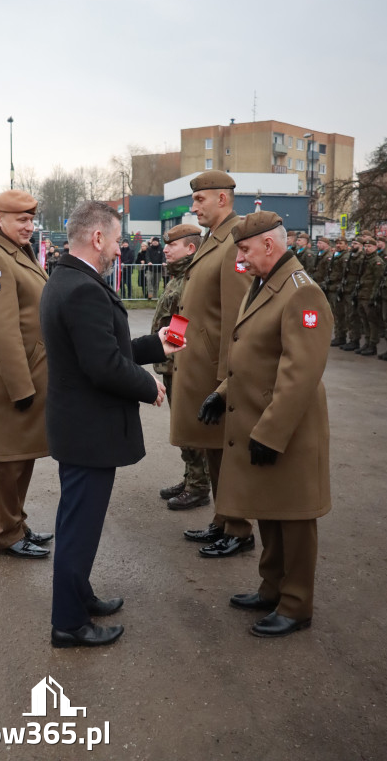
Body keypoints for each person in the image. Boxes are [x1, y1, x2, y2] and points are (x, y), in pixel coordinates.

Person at [40, 200, 184, 648]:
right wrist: (148, 386)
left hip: (79, 428)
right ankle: (69, 624)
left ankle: (79, 596)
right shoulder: (81, 288)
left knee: (79, 524)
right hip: (88, 431)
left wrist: (156, 345)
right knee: (79, 529)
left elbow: (106, 346)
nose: (121, 249)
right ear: (97, 237)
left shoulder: (69, 278)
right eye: (118, 240)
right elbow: (103, 365)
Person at [199, 211, 333, 637]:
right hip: (262, 421)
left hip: (288, 429)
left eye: (245, 249)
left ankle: (296, 604)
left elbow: (299, 374)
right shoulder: (263, 284)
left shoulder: (301, 293)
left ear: (269, 245)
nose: (240, 258)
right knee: (269, 510)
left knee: (294, 519)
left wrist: (272, 433)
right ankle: (272, 588)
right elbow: (253, 354)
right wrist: (222, 394)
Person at [169, 171, 253, 556]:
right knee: (214, 450)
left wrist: (226, 384)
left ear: (222, 198)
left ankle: (238, 529)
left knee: (227, 451)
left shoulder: (234, 241)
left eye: (200, 199)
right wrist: (172, 343)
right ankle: (222, 521)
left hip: (218, 371)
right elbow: (190, 302)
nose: (193, 206)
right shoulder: (212, 239)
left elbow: (238, 320)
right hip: (199, 364)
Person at [0, 189, 53, 559]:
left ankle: (16, 523)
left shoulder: (14, 252)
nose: (29, 226)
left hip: (27, 370)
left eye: (31, 220)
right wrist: (21, 386)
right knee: (6, 459)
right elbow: (1, 330)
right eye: (21, 219)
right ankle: (5, 533)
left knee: (21, 453)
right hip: (10, 376)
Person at [152, 224, 211, 510]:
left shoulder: (191, 278)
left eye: (171, 245)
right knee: (181, 426)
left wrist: (172, 357)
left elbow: (184, 321)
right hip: (171, 362)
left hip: (180, 364)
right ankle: (191, 478)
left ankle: (198, 486)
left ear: (190, 248)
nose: (165, 249)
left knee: (188, 427)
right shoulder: (180, 275)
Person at [354, 236, 384, 356]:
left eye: (369, 246)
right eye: (365, 246)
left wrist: (374, 297)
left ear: (375, 247)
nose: (367, 248)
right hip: (362, 294)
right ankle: (367, 343)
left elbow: (378, 280)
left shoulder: (377, 261)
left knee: (372, 322)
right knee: (365, 321)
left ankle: (372, 344)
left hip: (369, 295)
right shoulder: (364, 260)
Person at [339, 237, 364, 352]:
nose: (353, 245)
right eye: (352, 243)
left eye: (356, 243)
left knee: (353, 316)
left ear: (361, 246)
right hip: (347, 289)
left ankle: (355, 340)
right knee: (348, 315)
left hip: (355, 290)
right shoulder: (351, 256)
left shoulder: (362, 258)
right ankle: (351, 339)